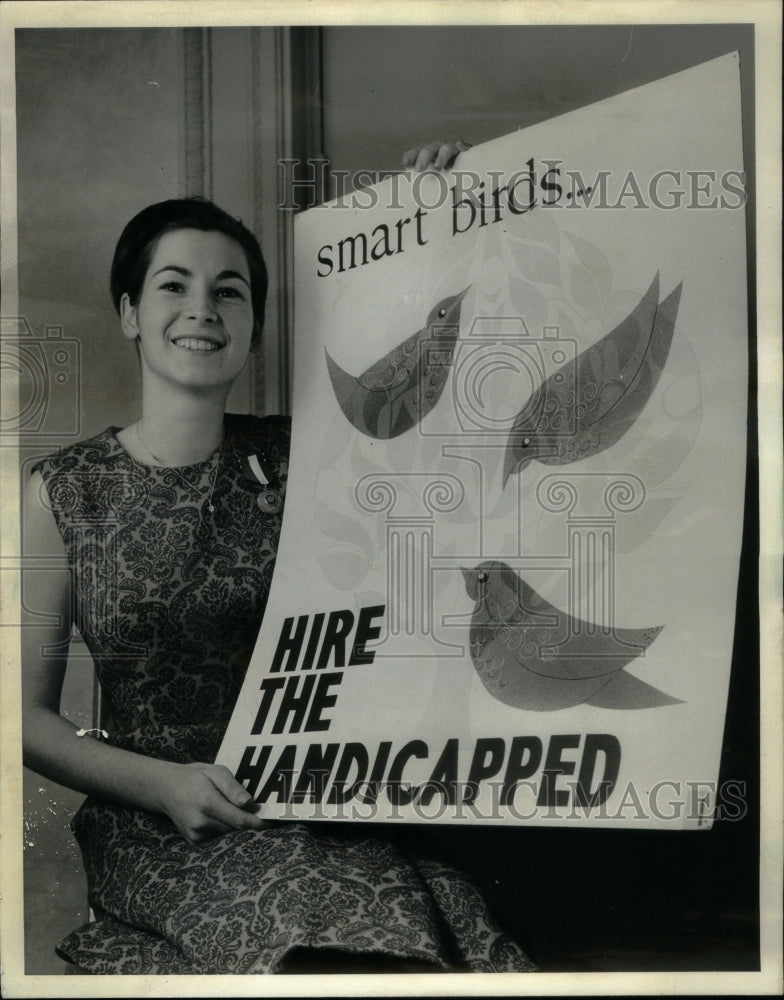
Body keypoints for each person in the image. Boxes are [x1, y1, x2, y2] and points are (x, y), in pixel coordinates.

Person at [22, 141, 536, 974]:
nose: (204, 310)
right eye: (174, 286)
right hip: (156, 820)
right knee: (308, 943)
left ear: (255, 329)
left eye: (231, 293)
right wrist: (162, 785)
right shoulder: (61, 491)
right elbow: (23, 720)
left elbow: (441, 440)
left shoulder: (310, 459)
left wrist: (432, 225)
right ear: (129, 313)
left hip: (320, 803)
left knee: (442, 934)